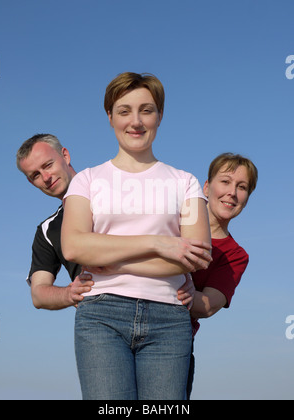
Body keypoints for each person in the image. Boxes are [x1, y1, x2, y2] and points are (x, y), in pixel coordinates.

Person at [61, 72, 212, 400]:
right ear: (110, 117)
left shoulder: (185, 182)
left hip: (169, 319)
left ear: (160, 116)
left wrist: (107, 255)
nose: (136, 121)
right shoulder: (86, 180)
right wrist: (159, 243)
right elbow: (73, 246)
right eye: (124, 110)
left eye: (147, 109)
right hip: (101, 316)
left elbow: (196, 255)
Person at [187, 152, 258, 398]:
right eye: (225, 182)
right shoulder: (169, 221)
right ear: (206, 187)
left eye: (242, 187)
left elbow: (206, 307)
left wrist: (164, 286)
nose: (232, 193)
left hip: (176, 339)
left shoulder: (235, 255)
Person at [16, 134, 94, 310]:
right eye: (35, 175)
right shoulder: (47, 230)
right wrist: (69, 294)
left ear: (65, 156)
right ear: (30, 182)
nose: (45, 177)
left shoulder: (111, 190)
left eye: (48, 165)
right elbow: (38, 294)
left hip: (158, 306)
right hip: (97, 318)